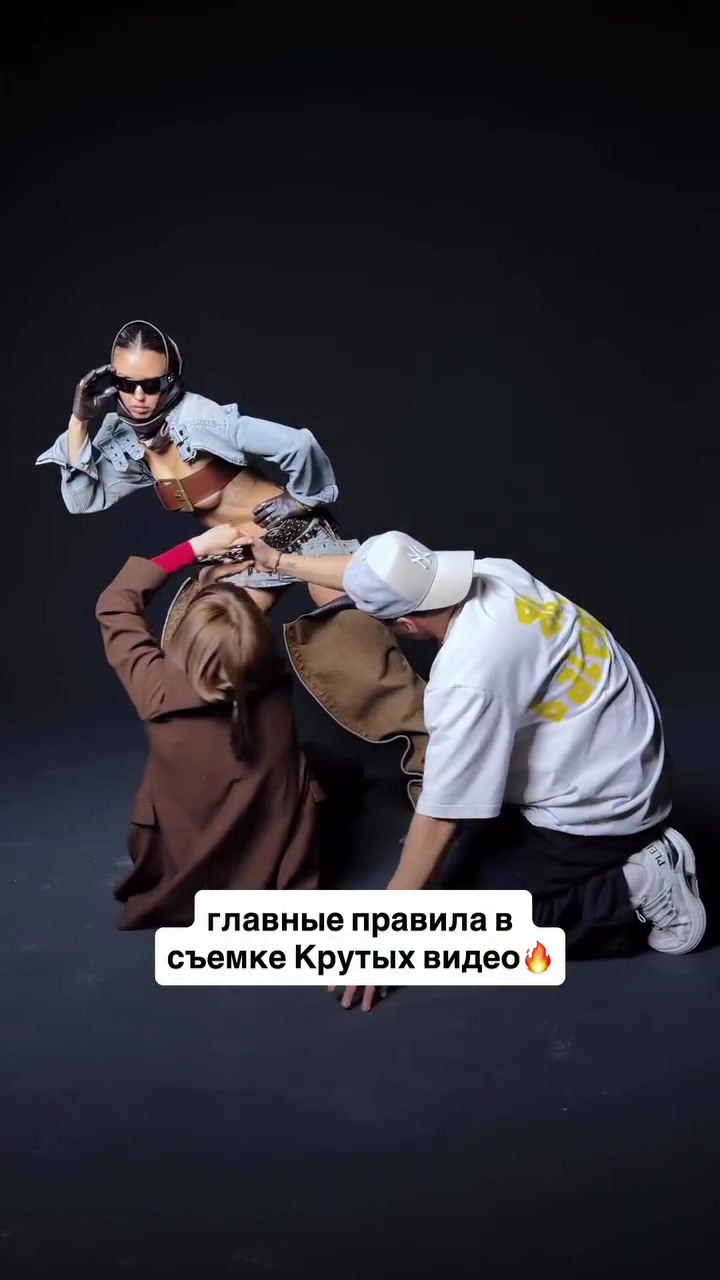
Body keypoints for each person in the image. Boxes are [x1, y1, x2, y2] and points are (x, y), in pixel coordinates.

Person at [242, 529, 707, 1010]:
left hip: (601, 811)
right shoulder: (497, 574)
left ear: (405, 625)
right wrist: (277, 560)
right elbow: (366, 571)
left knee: (456, 932)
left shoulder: (466, 677)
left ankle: (637, 888)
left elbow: (442, 816)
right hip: (625, 758)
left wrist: (383, 938)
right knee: (445, 877)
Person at [36, 320, 428, 801]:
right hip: (246, 557)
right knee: (200, 656)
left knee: (356, 654)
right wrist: (80, 419)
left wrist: (299, 500)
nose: (138, 397)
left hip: (301, 538)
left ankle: (439, 772)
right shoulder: (126, 437)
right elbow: (81, 498)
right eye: (125, 383)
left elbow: (298, 445)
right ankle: (251, 776)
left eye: (151, 385)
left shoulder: (204, 421)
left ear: (171, 380)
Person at [95, 521, 322, 930]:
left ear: (183, 642)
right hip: (268, 862)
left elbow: (116, 603)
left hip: (185, 849)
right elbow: (236, 646)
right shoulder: (273, 686)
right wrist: (233, 583)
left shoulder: (156, 690)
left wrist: (195, 548)